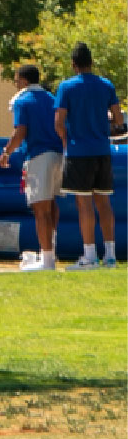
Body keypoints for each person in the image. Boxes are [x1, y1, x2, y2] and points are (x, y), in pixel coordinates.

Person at [55, 43, 122, 270]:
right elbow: (119, 119)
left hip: (79, 151)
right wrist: (105, 126)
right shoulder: (106, 85)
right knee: (104, 203)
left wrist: (66, 139)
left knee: (84, 205)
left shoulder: (66, 87)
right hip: (102, 151)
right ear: (91, 62)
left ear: (73, 65)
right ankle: (110, 256)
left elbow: (58, 122)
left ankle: (90, 256)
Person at [0, 65, 63, 271]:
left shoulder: (23, 101)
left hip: (38, 155)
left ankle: (46, 261)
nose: (16, 85)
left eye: (17, 80)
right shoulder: (52, 98)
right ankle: (50, 253)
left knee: (40, 209)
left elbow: (20, 132)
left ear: (24, 82)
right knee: (52, 205)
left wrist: (7, 152)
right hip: (58, 155)